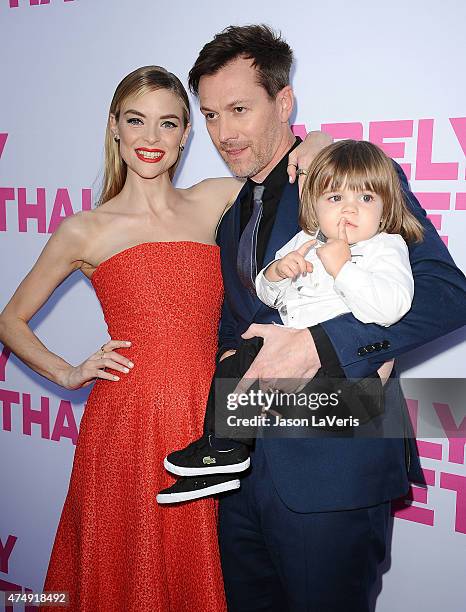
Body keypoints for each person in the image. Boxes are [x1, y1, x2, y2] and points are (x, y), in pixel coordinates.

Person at [0, 64, 319, 611]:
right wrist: (68, 372)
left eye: (169, 124)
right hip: (129, 423)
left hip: (210, 412)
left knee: (219, 570)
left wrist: (321, 141)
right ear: (115, 128)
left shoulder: (216, 197)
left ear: (186, 134)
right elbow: (11, 320)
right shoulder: (84, 229)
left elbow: (290, 159)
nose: (152, 139)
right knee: (130, 575)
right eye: (137, 121)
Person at [169, 25, 466, 611]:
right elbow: (246, 322)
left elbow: (445, 291)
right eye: (209, 115)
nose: (223, 132)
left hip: (332, 466)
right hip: (241, 480)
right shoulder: (232, 216)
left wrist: (324, 345)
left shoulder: (345, 180)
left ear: (284, 102)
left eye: (239, 109)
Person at [157, 139, 425, 503]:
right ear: (314, 204)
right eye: (335, 199)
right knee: (238, 360)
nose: (350, 210)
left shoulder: (385, 246)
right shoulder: (306, 240)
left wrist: (342, 268)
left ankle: (229, 448)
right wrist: (278, 273)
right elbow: (267, 294)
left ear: (385, 205)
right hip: (284, 363)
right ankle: (222, 450)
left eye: (365, 199)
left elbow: (391, 308)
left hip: (342, 373)